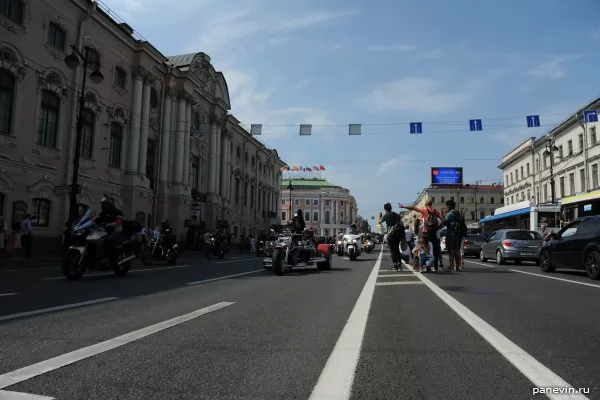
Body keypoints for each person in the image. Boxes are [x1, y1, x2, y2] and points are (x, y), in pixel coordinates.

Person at [399, 199, 445, 271]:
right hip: (434, 233)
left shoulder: (425, 210)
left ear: (426, 205)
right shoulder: (436, 212)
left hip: (426, 233)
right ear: (431, 204)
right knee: (435, 250)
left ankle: (425, 266)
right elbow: (443, 220)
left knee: (425, 249)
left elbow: (414, 208)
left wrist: (403, 206)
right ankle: (435, 266)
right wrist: (438, 228)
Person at [378, 202, 406, 270]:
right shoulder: (396, 215)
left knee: (392, 250)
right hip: (398, 234)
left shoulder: (386, 215)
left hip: (391, 234)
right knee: (397, 249)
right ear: (391, 208)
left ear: (385, 209)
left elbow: (379, 222)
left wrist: (379, 215)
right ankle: (399, 264)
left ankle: (395, 264)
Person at [443, 199, 462, 272]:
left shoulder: (449, 214)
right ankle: (457, 266)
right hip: (457, 234)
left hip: (450, 234)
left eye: (447, 206)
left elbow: (444, 222)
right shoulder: (457, 213)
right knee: (457, 250)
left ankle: (451, 266)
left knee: (450, 250)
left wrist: (444, 214)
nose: (446, 207)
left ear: (449, 206)